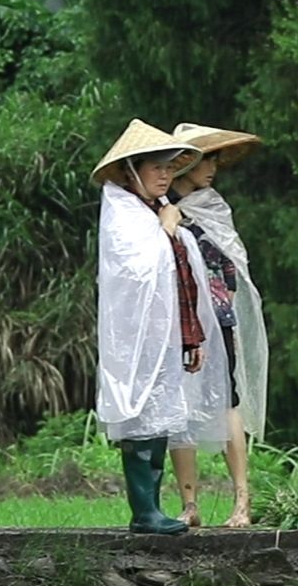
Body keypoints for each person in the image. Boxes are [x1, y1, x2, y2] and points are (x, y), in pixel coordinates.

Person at [92, 119, 231, 535]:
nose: (166, 175)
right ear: (132, 171)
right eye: (157, 168)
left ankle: (151, 509)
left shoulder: (154, 210)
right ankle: (144, 511)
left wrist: (191, 338)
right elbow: (136, 269)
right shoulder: (123, 210)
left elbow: (182, 280)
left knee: (159, 421)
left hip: (166, 336)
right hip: (138, 338)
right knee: (139, 419)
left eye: (170, 168)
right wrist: (167, 227)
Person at [165, 123, 267, 528]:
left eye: (214, 160)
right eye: (205, 159)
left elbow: (230, 268)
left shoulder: (212, 207)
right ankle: (189, 504)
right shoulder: (159, 207)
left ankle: (242, 499)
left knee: (228, 401)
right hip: (174, 320)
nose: (212, 169)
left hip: (217, 319)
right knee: (178, 406)